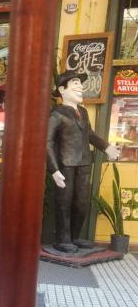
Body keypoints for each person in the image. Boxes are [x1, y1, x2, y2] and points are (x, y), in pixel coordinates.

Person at [47, 70, 119, 253]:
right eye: (75, 85)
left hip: (84, 162)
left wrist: (107, 147)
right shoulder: (56, 114)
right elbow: (46, 143)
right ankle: (62, 239)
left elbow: (90, 135)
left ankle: (75, 236)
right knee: (64, 202)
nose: (81, 88)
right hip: (66, 164)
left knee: (81, 202)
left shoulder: (84, 113)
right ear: (62, 90)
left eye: (81, 84)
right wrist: (54, 170)